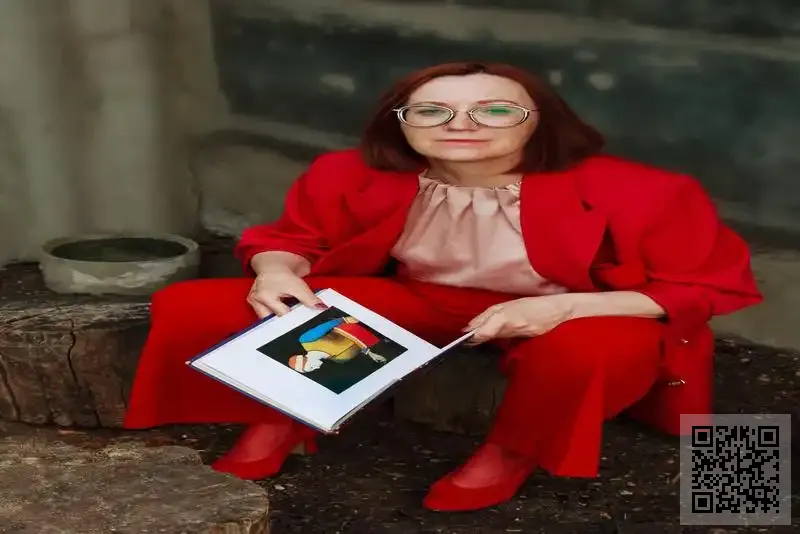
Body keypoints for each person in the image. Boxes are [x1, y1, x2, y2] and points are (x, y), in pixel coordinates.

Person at [123, 61, 762, 511]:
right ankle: (288, 411)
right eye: (432, 110)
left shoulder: (644, 190)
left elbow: (708, 287)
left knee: (590, 354)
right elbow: (292, 237)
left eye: (495, 109)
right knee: (197, 304)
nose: (461, 123)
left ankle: (512, 451)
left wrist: (564, 308)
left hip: (577, 309)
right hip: (424, 297)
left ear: (539, 121)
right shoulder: (351, 172)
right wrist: (274, 268)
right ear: (400, 122)